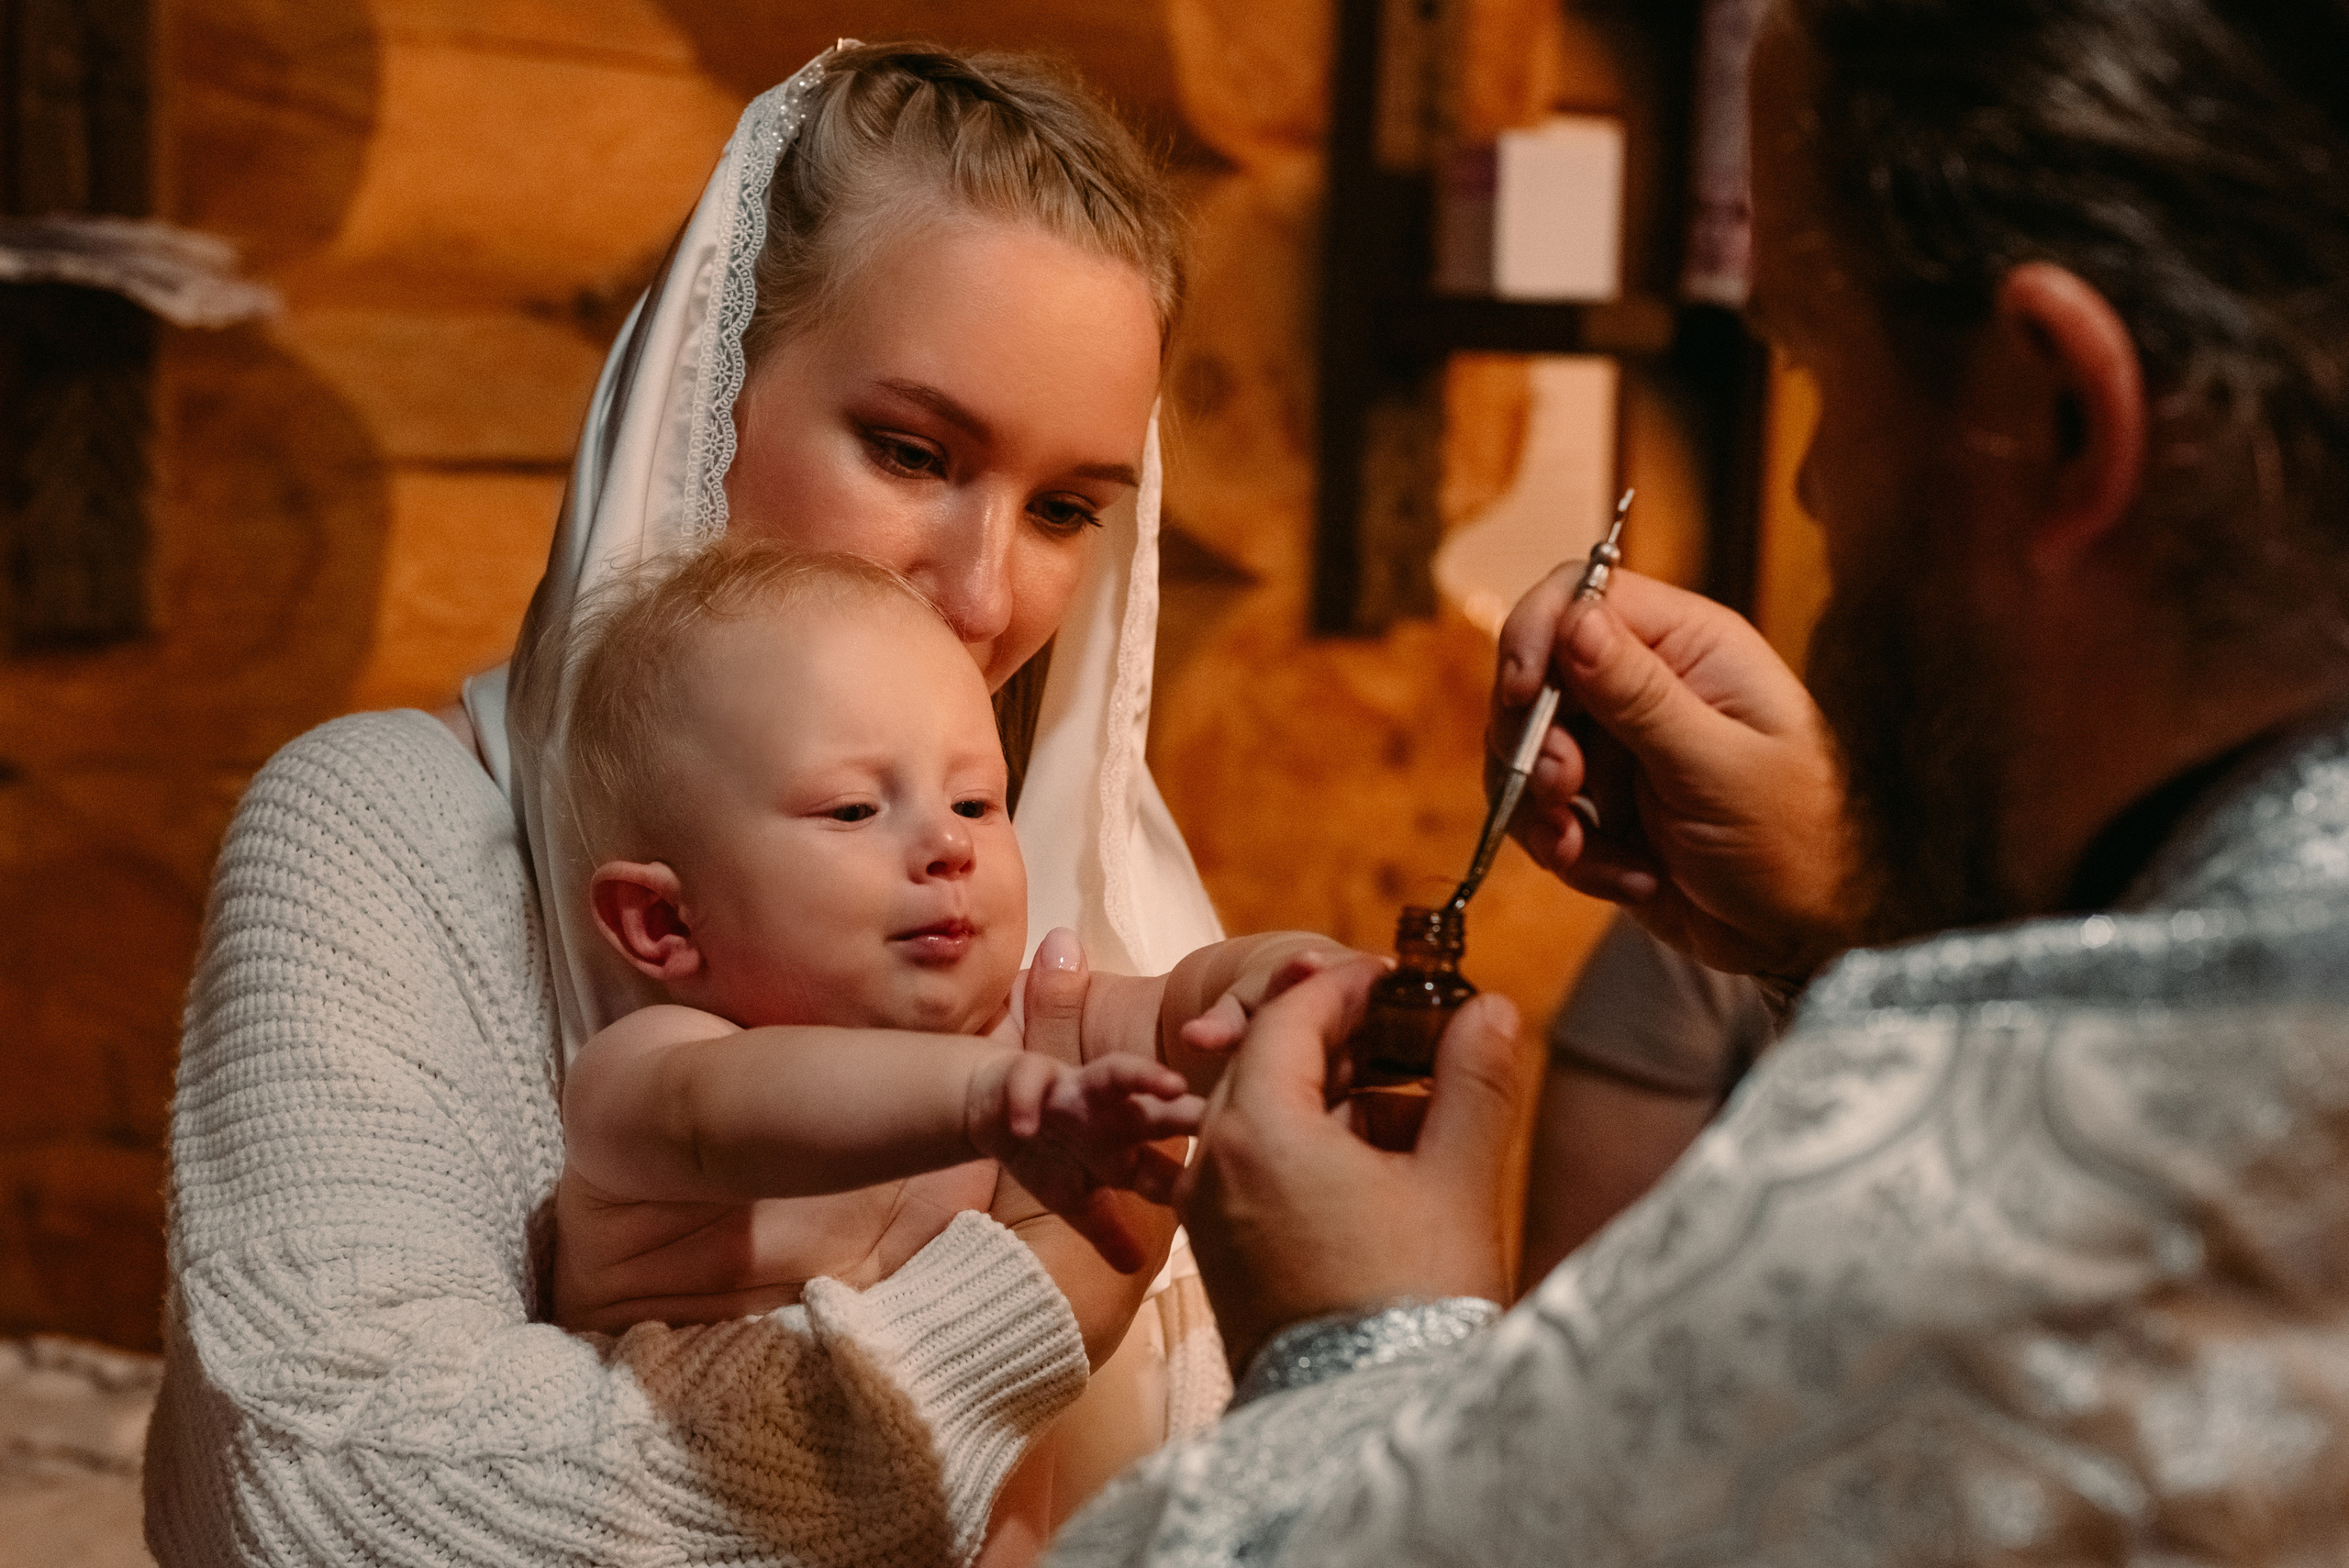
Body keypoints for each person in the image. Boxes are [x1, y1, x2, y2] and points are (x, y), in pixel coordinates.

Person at [1051, 0, 2349, 1560]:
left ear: (2056, 411)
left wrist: (1359, 1342)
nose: (1810, 480)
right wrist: (1857, 918)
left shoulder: (1990, 1215)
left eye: (1819, 359)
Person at [147, 42, 1254, 1568]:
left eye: (1065, 508)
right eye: (911, 452)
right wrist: (1020, 1309)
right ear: (705, 395)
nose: (988, 593)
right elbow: (343, 1501)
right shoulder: (384, 832)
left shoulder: (1032, 889)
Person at [547, 543, 1334, 1560]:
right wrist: (986, 1093)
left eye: (974, 801)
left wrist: (1287, 978)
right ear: (663, 921)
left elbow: (1181, 1009)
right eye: (854, 809)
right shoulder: (650, 1071)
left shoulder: (1015, 1037)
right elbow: (738, 1112)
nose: (948, 845)